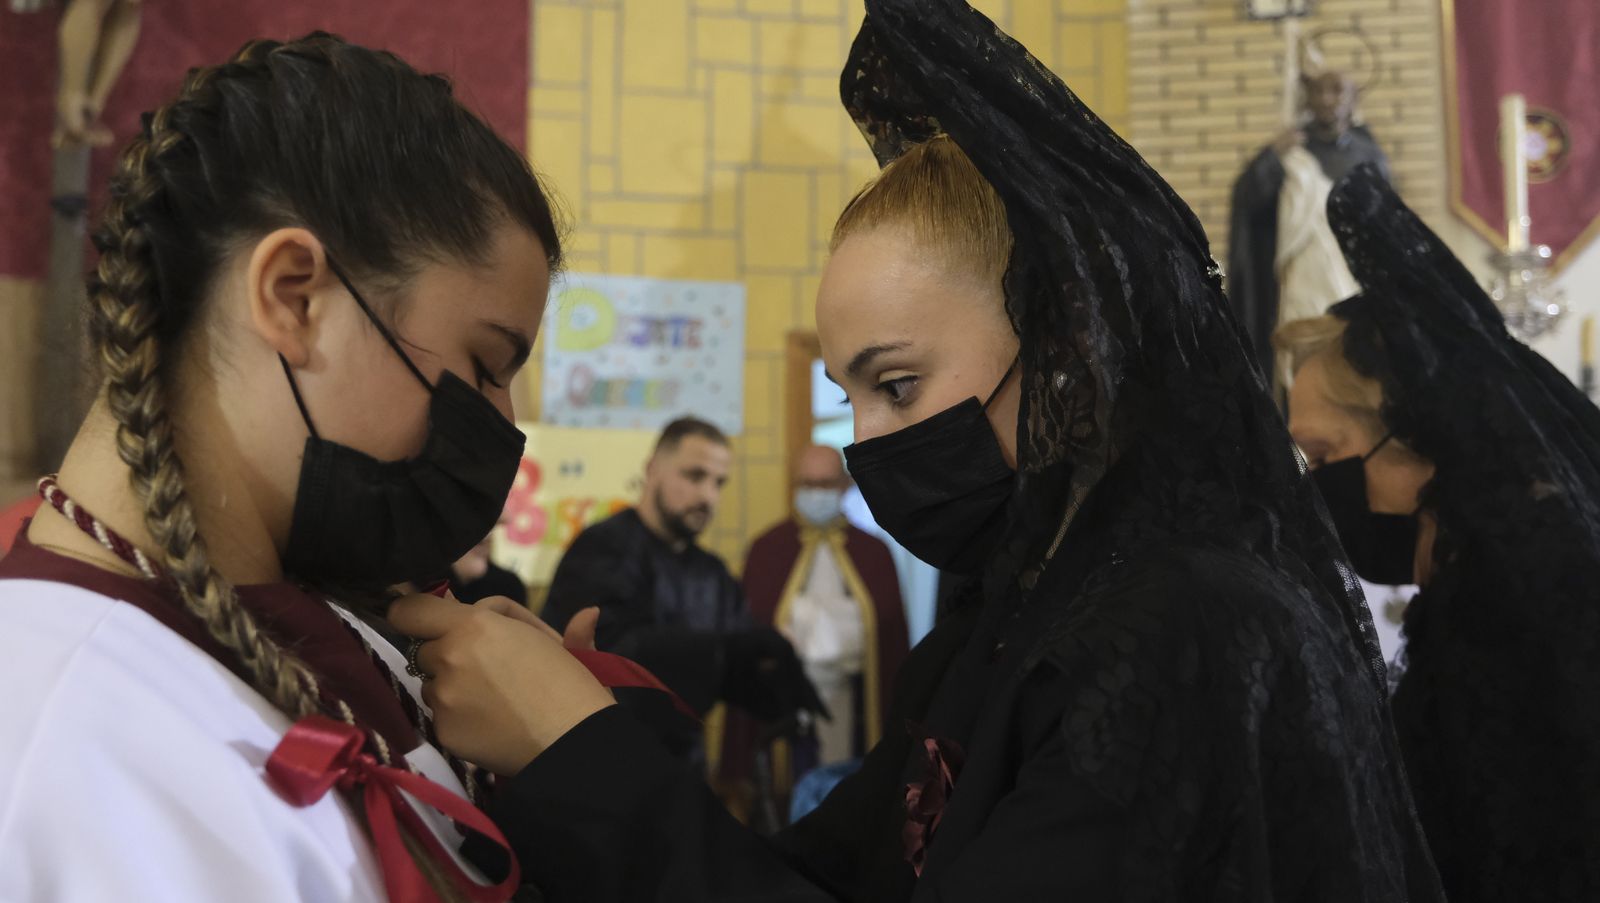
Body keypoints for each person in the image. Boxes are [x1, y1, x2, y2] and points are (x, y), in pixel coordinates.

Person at [389, 3, 1446, 899]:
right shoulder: (1003, 621)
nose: (867, 443)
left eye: (897, 384)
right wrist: (590, 730)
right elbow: (808, 877)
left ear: (1068, 347)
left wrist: (584, 758)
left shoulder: (1192, 625)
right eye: (849, 395)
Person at [0, 33, 606, 900]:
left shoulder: (347, 632)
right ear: (294, 296)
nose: (501, 424)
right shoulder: (55, 735)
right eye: (484, 366)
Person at [1275, 165, 1600, 902]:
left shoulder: (1505, 600)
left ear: (1415, 437)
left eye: (1323, 455)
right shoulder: (1485, 569)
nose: (1314, 486)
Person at [540, 416, 824, 767]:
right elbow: (620, 656)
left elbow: (737, 667)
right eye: (695, 476)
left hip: (682, 767)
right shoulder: (601, 549)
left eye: (719, 483)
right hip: (595, 761)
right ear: (652, 469)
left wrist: (775, 674)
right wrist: (728, 649)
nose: (708, 496)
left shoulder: (714, 574)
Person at [724, 445, 908, 803]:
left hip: (854, 704)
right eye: (808, 483)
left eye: (825, 484)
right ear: (794, 485)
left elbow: (892, 642)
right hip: (788, 704)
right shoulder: (767, 550)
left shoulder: (874, 552)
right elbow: (749, 639)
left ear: (844, 485)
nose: (817, 492)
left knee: (850, 797)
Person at [1230, 69, 1390, 382]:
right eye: (1318, 91)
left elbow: (1383, 218)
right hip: (1302, 273)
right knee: (1301, 360)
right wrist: (1274, 156)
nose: (1326, 99)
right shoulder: (1293, 151)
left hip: (1350, 273)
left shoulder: (1366, 153)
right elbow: (1249, 198)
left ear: (1353, 99)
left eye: (1336, 91)